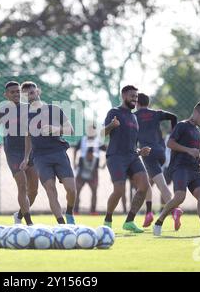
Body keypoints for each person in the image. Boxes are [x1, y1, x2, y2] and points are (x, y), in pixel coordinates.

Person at [153, 102, 200, 236]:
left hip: (194, 169)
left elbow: (194, 152)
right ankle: (159, 221)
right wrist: (188, 150)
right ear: (196, 112)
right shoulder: (182, 126)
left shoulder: (198, 131)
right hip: (180, 168)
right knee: (180, 197)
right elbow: (170, 143)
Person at [19, 81, 77, 225]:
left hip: (58, 152)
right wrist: (26, 157)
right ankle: (62, 225)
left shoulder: (54, 109)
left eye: (32, 92)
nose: (30, 96)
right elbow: (28, 137)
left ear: (38, 92)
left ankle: (69, 212)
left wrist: (54, 129)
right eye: (26, 94)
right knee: (50, 190)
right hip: (40, 157)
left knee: (71, 190)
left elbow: (71, 130)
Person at [102, 85, 151, 233]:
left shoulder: (134, 117)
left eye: (136, 97)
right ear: (124, 96)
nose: (135, 99)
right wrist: (111, 125)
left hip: (133, 156)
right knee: (119, 190)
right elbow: (101, 134)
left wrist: (140, 151)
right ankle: (107, 220)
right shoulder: (114, 112)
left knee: (144, 185)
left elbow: (133, 142)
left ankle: (129, 221)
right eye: (132, 96)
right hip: (116, 156)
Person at [0, 81, 38, 225]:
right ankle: (29, 223)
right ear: (6, 95)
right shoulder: (1, 110)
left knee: (34, 191)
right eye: (12, 92)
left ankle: (19, 215)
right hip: (13, 152)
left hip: (30, 151)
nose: (16, 94)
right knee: (22, 186)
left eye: (18, 91)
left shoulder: (30, 108)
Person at [135, 92, 183, 230]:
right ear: (148, 103)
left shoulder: (134, 116)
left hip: (147, 152)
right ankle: (149, 213)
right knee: (146, 182)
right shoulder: (156, 113)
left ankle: (175, 210)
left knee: (162, 186)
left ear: (137, 103)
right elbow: (173, 117)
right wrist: (174, 133)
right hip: (161, 153)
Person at [73, 124, 106, 215]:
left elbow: (106, 150)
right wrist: (74, 162)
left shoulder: (98, 141)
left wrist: (104, 163)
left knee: (94, 191)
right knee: (77, 190)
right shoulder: (83, 140)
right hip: (82, 167)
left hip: (93, 169)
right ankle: (75, 210)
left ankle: (93, 210)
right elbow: (75, 149)